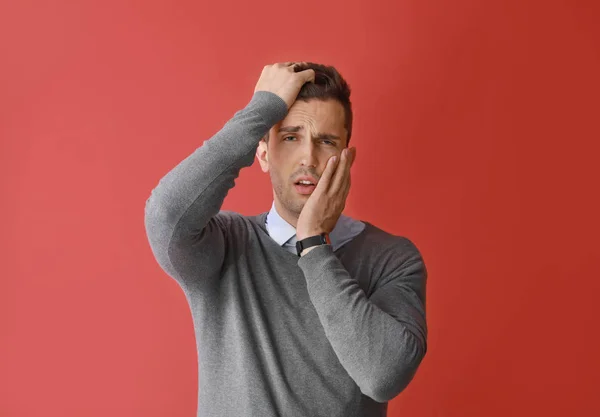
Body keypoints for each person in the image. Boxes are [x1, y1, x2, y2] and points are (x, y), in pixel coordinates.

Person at [144, 62, 428, 417]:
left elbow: (383, 375)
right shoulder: (223, 245)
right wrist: (261, 110)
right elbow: (166, 215)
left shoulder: (392, 258)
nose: (308, 157)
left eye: (326, 141)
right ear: (263, 153)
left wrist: (313, 244)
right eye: (291, 137)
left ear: (346, 158)